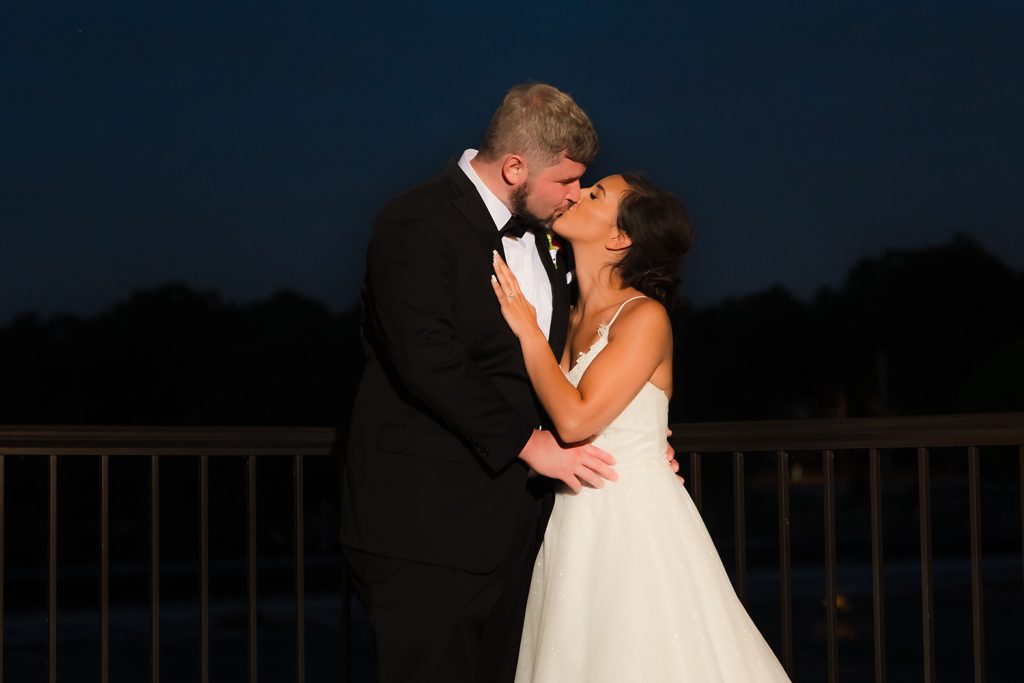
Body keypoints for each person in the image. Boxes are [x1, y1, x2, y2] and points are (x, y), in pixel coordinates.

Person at [341, 83, 624, 683]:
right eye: (567, 181)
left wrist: (633, 436)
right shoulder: (413, 220)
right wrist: (529, 443)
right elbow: (425, 357)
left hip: (516, 529)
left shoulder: (546, 235)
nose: (574, 196)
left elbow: (569, 359)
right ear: (515, 166)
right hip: (424, 528)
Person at [491, 173, 792, 681]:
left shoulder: (644, 317)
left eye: (595, 195)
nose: (578, 193)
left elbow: (576, 418)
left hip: (633, 526)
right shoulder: (564, 310)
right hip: (571, 525)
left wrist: (526, 332)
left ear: (619, 238)